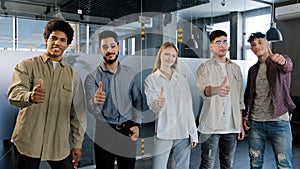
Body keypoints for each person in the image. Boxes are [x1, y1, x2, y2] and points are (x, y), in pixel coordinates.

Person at [7, 20, 87, 169]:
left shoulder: (73, 76)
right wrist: (30, 96)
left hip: (58, 145)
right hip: (28, 142)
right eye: (54, 38)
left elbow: (78, 114)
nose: (57, 43)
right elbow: (13, 94)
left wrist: (77, 144)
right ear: (46, 40)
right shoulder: (26, 65)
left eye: (63, 40)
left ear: (67, 45)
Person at [84, 30, 143, 169]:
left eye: (112, 46)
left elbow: (138, 100)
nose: (109, 50)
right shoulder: (92, 78)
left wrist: (137, 124)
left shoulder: (130, 73)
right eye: (105, 47)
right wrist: (95, 102)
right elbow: (91, 109)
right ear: (100, 50)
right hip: (104, 132)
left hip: (127, 130)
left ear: (118, 47)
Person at [244, 32, 296, 169]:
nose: (257, 46)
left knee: (284, 164)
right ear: (252, 49)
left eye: (260, 42)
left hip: (279, 121)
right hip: (256, 123)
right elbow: (248, 94)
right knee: (255, 163)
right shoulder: (252, 70)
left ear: (268, 43)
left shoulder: (279, 61)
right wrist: (245, 116)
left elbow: (287, 66)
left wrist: (281, 61)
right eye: (254, 45)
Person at [144, 42, 198, 169]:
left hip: (182, 131)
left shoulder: (182, 79)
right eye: (167, 54)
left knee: (182, 167)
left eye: (173, 56)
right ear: (160, 55)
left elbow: (188, 108)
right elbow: (152, 107)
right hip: (164, 131)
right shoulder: (151, 79)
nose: (170, 58)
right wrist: (158, 103)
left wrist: (193, 133)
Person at [196, 30, 245, 169]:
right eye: (218, 42)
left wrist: (240, 124)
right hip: (210, 126)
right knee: (207, 164)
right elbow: (204, 90)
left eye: (225, 41)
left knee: (228, 164)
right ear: (211, 46)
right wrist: (216, 90)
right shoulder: (204, 67)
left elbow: (240, 99)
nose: (222, 45)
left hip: (232, 126)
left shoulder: (236, 68)